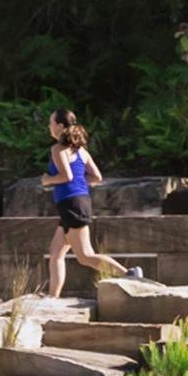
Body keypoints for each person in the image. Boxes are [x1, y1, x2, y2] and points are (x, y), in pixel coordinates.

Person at [40, 108, 137, 295]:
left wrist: (47, 180)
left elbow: (65, 176)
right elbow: (97, 177)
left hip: (71, 204)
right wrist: (77, 182)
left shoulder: (57, 149)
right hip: (76, 203)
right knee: (55, 254)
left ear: (59, 126)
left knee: (85, 255)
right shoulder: (81, 151)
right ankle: (53, 298)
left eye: (51, 123)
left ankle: (130, 274)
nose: (49, 126)